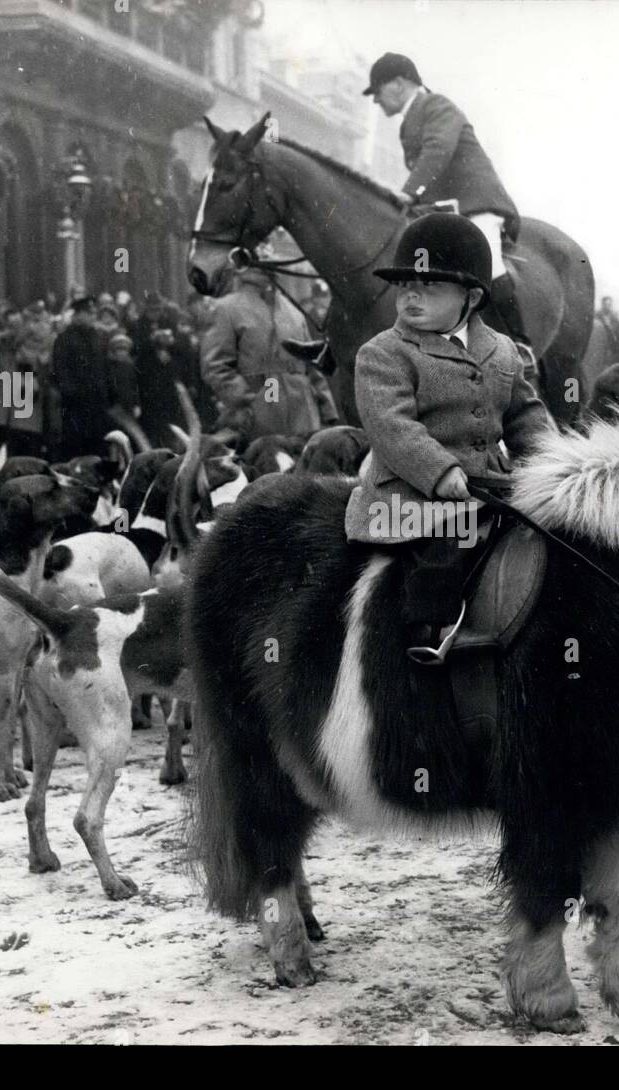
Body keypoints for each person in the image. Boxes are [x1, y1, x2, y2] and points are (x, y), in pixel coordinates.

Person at [345, 213, 552, 662]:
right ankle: (429, 630)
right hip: (411, 495)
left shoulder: (501, 350)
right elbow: (392, 427)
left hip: (490, 486)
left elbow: (524, 416)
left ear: (471, 296)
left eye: (429, 287)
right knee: (449, 540)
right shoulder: (382, 354)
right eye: (404, 286)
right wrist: (440, 472)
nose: (411, 296)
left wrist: (552, 466)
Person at [363, 52, 533, 367]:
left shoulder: (438, 105)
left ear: (398, 84)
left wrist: (408, 193)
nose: (375, 101)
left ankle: (522, 345)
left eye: (377, 91)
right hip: (444, 209)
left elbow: (438, 151)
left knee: (491, 265)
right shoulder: (410, 120)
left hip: (475, 203)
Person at [200, 262, 339, 440]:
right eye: (261, 262)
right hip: (261, 413)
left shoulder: (293, 309)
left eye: (272, 262)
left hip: (304, 416)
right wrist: (246, 401)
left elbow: (311, 364)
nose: (268, 268)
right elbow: (215, 366)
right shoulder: (226, 308)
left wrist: (327, 409)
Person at [51, 295, 110, 460]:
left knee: (97, 449)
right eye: (89, 313)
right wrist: (72, 392)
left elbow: (103, 368)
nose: (93, 316)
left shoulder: (97, 337)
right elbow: (60, 370)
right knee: (75, 449)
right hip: (76, 405)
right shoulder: (65, 338)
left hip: (97, 403)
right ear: (77, 315)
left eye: (93, 313)